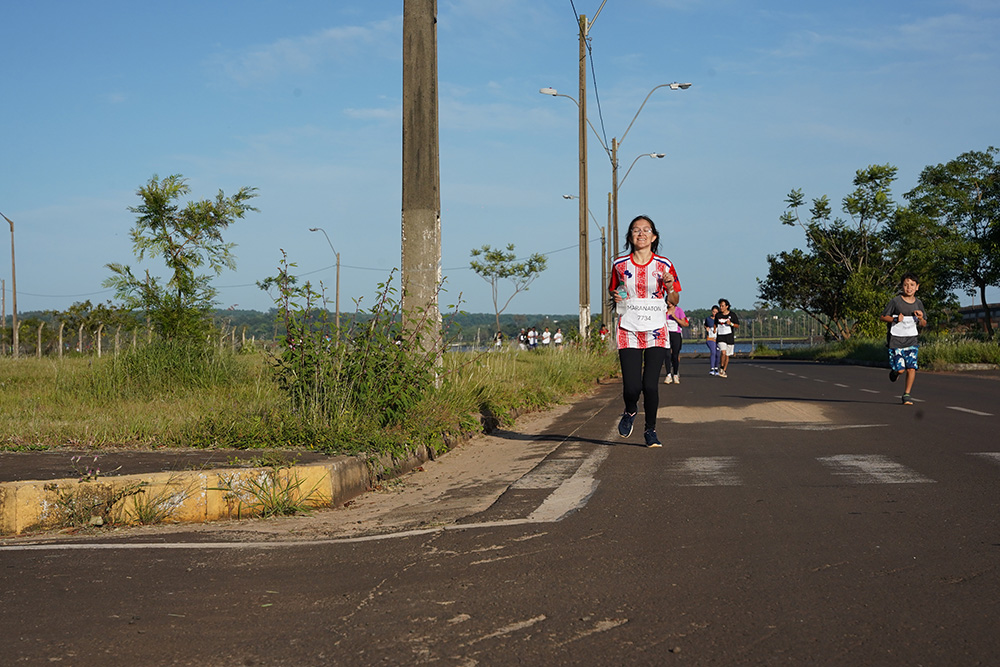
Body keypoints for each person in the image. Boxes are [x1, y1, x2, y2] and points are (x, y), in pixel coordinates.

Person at [608, 214, 681, 448]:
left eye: (646, 229)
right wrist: (616, 296)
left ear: (654, 236)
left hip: (655, 329)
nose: (641, 233)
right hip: (628, 328)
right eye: (636, 230)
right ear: (630, 236)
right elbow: (614, 290)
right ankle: (630, 410)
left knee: (650, 385)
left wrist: (669, 287)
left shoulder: (664, 265)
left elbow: (674, 299)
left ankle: (650, 430)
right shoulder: (620, 265)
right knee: (632, 387)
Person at [880, 272, 927, 405]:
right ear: (902, 286)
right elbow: (883, 317)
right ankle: (895, 373)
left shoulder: (918, 303)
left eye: (912, 285)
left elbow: (924, 323)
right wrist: (895, 319)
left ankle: (907, 394)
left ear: (917, 287)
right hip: (896, 341)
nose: (909, 288)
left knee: (911, 367)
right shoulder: (896, 301)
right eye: (906, 285)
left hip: (912, 341)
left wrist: (921, 318)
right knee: (900, 369)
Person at [663, 297, 689, 384]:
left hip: (676, 334)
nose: (669, 303)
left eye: (671, 301)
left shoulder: (679, 310)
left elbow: (685, 323)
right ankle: (668, 375)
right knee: (667, 355)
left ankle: (675, 374)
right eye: (668, 301)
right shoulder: (664, 310)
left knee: (675, 355)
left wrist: (675, 318)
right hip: (666, 335)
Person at [714, 298, 739, 378]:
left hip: (729, 337)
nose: (721, 307)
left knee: (727, 355)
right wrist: (714, 329)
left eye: (722, 306)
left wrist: (731, 323)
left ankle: (724, 370)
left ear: (727, 306)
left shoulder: (732, 315)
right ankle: (721, 367)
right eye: (720, 306)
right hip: (721, 337)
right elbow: (715, 323)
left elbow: (737, 325)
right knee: (723, 352)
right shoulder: (718, 315)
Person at [705, 305, 720, 375]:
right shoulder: (708, 319)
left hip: (717, 338)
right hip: (710, 338)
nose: (715, 313)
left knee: (718, 353)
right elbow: (705, 325)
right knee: (713, 352)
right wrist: (706, 328)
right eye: (713, 312)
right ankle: (712, 368)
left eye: (716, 312)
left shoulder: (720, 319)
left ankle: (716, 368)